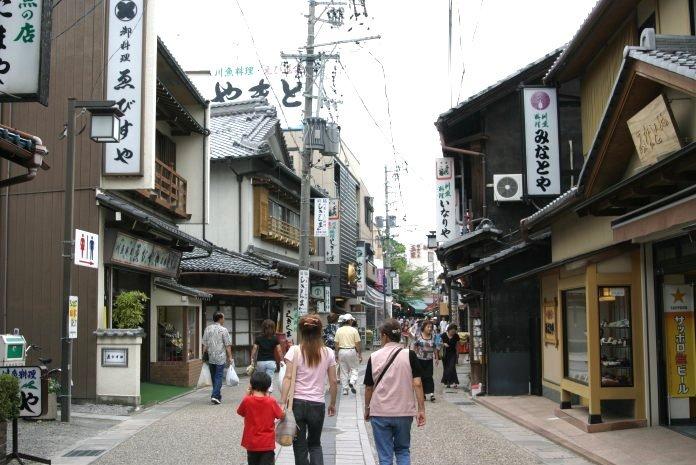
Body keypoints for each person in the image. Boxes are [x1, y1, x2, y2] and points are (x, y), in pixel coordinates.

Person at [364, 319, 426, 465]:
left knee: (385, 456)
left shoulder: (374, 357)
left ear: (385, 336)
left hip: (380, 412)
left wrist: (367, 408)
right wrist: (421, 409)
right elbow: (417, 383)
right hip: (404, 412)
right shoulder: (410, 355)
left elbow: (368, 387)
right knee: (403, 450)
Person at [280, 315, 338, 465]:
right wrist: (332, 403)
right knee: (315, 444)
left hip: (297, 403)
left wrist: (282, 402)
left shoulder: (294, 350)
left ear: (301, 331)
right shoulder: (328, 352)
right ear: (319, 331)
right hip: (317, 404)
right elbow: (333, 381)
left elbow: (288, 377)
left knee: (299, 445)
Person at [237, 371, 285, 465]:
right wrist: (283, 409)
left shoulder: (247, 400)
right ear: (268, 387)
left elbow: (240, 412)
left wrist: (247, 395)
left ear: (251, 385)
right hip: (267, 443)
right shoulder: (271, 402)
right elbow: (281, 415)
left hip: (251, 443)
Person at [202, 311, 233, 404]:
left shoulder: (208, 329)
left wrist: (203, 356)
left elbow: (205, 344)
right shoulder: (224, 330)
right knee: (218, 377)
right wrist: (230, 357)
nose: (224, 319)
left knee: (214, 377)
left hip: (211, 357)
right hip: (220, 357)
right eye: (223, 318)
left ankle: (217, 397)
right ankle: (215, 396)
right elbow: (227, 345)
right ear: (220, 319)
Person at [251, 319, 282, 393]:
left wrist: (252, 359)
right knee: (270, 379)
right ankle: (268, 394)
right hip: (271, 362)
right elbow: (279, 350)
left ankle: (261, 394)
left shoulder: (258, 338)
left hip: (260, 362)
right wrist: (282, 360)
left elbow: (254, 349)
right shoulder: (275, 338)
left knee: (260, 378)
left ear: (263, 328)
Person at [334, 313, 362, 395]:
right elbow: (357, 343)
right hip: (351, 350)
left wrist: (336, 354)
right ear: (349, 321)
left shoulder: (339, 330)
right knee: (354, 368)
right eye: (352, 320)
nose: (352, 321)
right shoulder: (354, 330)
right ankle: (352, 382)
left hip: (341, 351)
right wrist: (359, 354)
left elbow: (336, 343)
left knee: (343, 371)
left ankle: (345, 389)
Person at [412, 320, 439, 402]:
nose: (430, 328)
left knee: (429, 376)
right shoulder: (418, 336)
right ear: (424, 327)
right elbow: (415, 347)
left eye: (431, 327)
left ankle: (431, 394)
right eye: (428, 327)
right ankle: (423, 394)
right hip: (419, 360)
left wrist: (436, 358)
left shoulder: (433, 336)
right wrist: (414, 357)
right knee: (421, 377)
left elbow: (435, 347)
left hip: (429, 360)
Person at [441, 324, 460, 388]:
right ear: (449, 330)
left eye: (454, 332)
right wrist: (444, 344)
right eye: (452, 332)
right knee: (446, 368)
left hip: (453, 354)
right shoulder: (443, 335)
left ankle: (453, 382)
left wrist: (458, 353)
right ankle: (449, 382)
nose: (453, 333)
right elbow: (438, 342)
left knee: (452, 367)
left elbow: (457, 345)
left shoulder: (456, 336)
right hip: (445, 354)